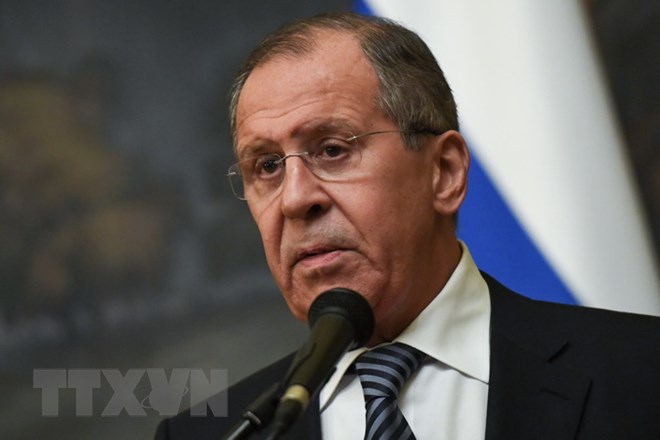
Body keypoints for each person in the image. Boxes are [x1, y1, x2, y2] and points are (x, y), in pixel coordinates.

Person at [155, 12, 660, 440]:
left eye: (332, 150)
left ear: (444, 172)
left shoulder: (641, 372)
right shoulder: (212, 434)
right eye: (267, 166)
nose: (295, 198)